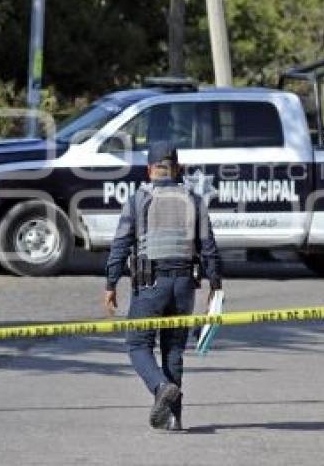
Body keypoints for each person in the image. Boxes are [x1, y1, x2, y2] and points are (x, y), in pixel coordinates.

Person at [104, 141, 222, 432]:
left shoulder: (138, 200)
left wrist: (110, 283)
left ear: (149, 170)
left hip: (150, 283)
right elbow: (208, 247)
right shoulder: (194, 199)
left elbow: (120, 244)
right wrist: (215, 285)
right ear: (178, 169)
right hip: (184, 284)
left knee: (137, 344)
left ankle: (159, 387)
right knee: (173, 350)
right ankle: (174, 418)